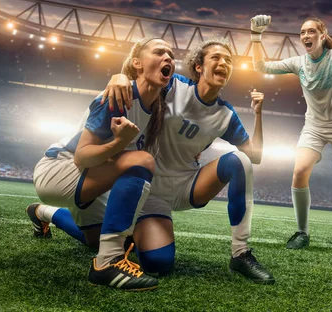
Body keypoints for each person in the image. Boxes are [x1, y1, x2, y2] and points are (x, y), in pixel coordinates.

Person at [98, 37, 274, 284]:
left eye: (228, 60)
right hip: (149, 187)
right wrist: (119, 76)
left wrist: (258, 115)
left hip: (186, 185)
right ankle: (49, 214)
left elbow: (255, 156)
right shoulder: (175, 87)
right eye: (216, 57)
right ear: (199, 66)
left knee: (241, 160)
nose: (223, 63)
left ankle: (240, 254)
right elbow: (143, 76)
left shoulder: (225, 115)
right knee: (158, 265)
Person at [27, 37, 174, 290]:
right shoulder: (118, 96)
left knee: (97, 238)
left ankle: (42, 212)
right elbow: (81, 156)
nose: (168, 57)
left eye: (171, 54)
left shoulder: (158, 104)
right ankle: (107, 264)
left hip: (91, 177)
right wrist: (120, 142)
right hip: (60, 170)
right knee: (141, 160)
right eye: (159, 51)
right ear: (137, 63)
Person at [248, 0, 332, 253]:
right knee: (299, 173)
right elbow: (260, 65)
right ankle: (302, 232)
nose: (305, 35)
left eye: (311, 31)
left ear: (322, 35)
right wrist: (255, 36)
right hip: (314, 127)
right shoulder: (298, 63)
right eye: (302, 32)